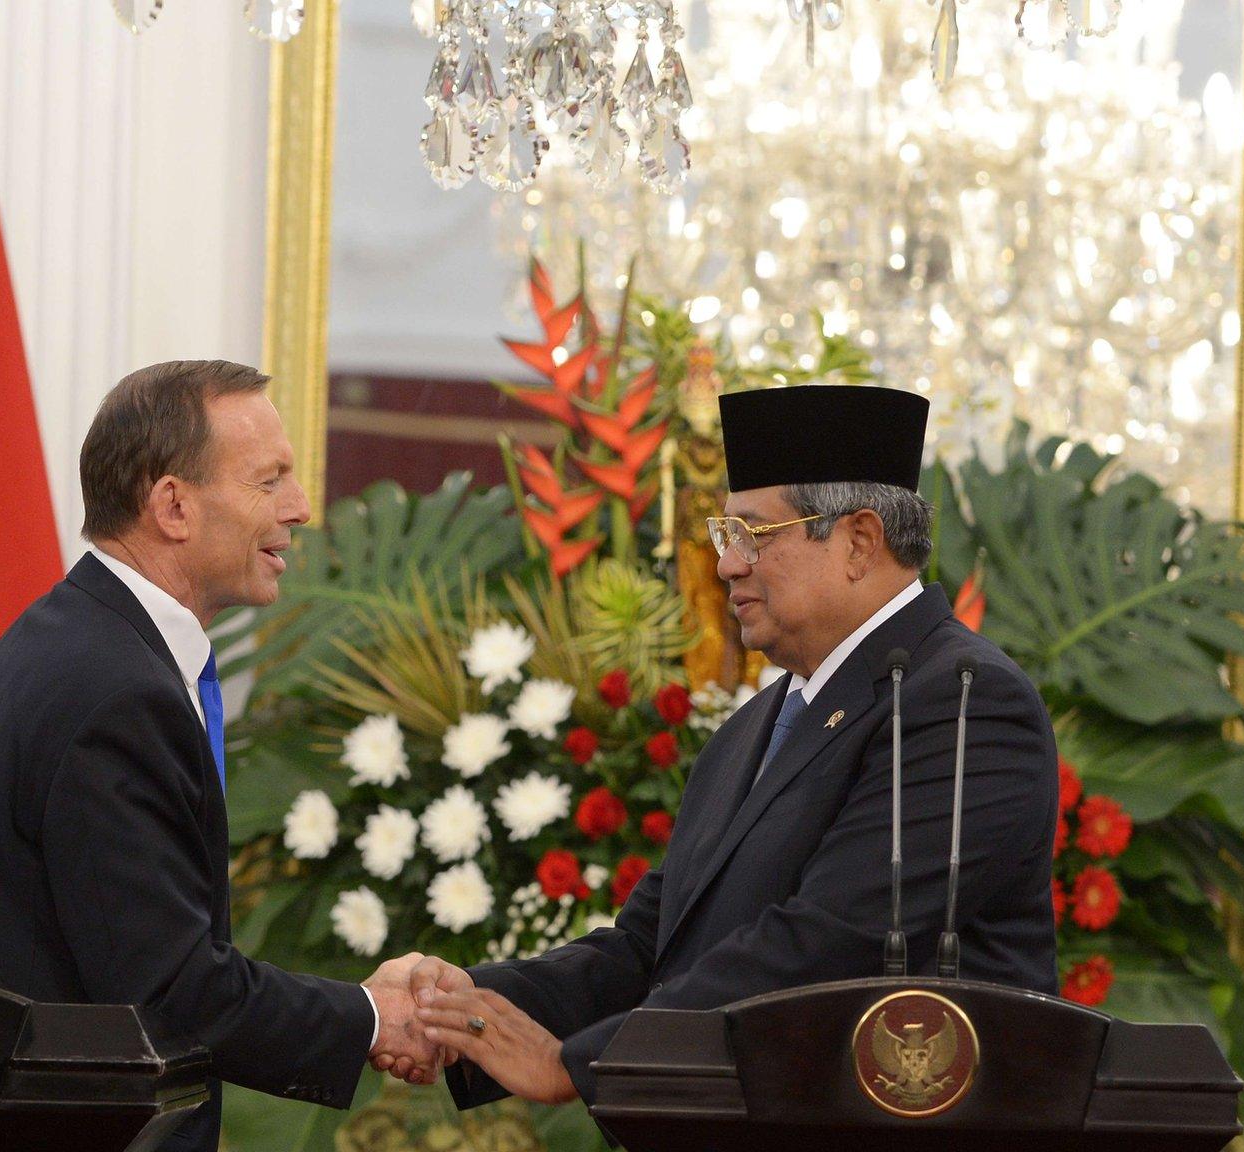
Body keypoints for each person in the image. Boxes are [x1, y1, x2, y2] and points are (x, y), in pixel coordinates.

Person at [391, 384, 1061, 1110]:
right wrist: (464, 1004)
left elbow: (828, 947)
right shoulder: (760, 723)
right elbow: (650, 950)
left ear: (860, 541)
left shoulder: (965, 700)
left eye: (754, 535)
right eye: (725, 536)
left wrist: (580, 1066)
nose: (726, 566)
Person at [0, 361, 437, 1152]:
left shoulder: (65, 644)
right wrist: (371, 1016)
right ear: (172, 505)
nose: (301, 509)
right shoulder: (114, 694)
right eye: (270, 481)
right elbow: (172, 994)